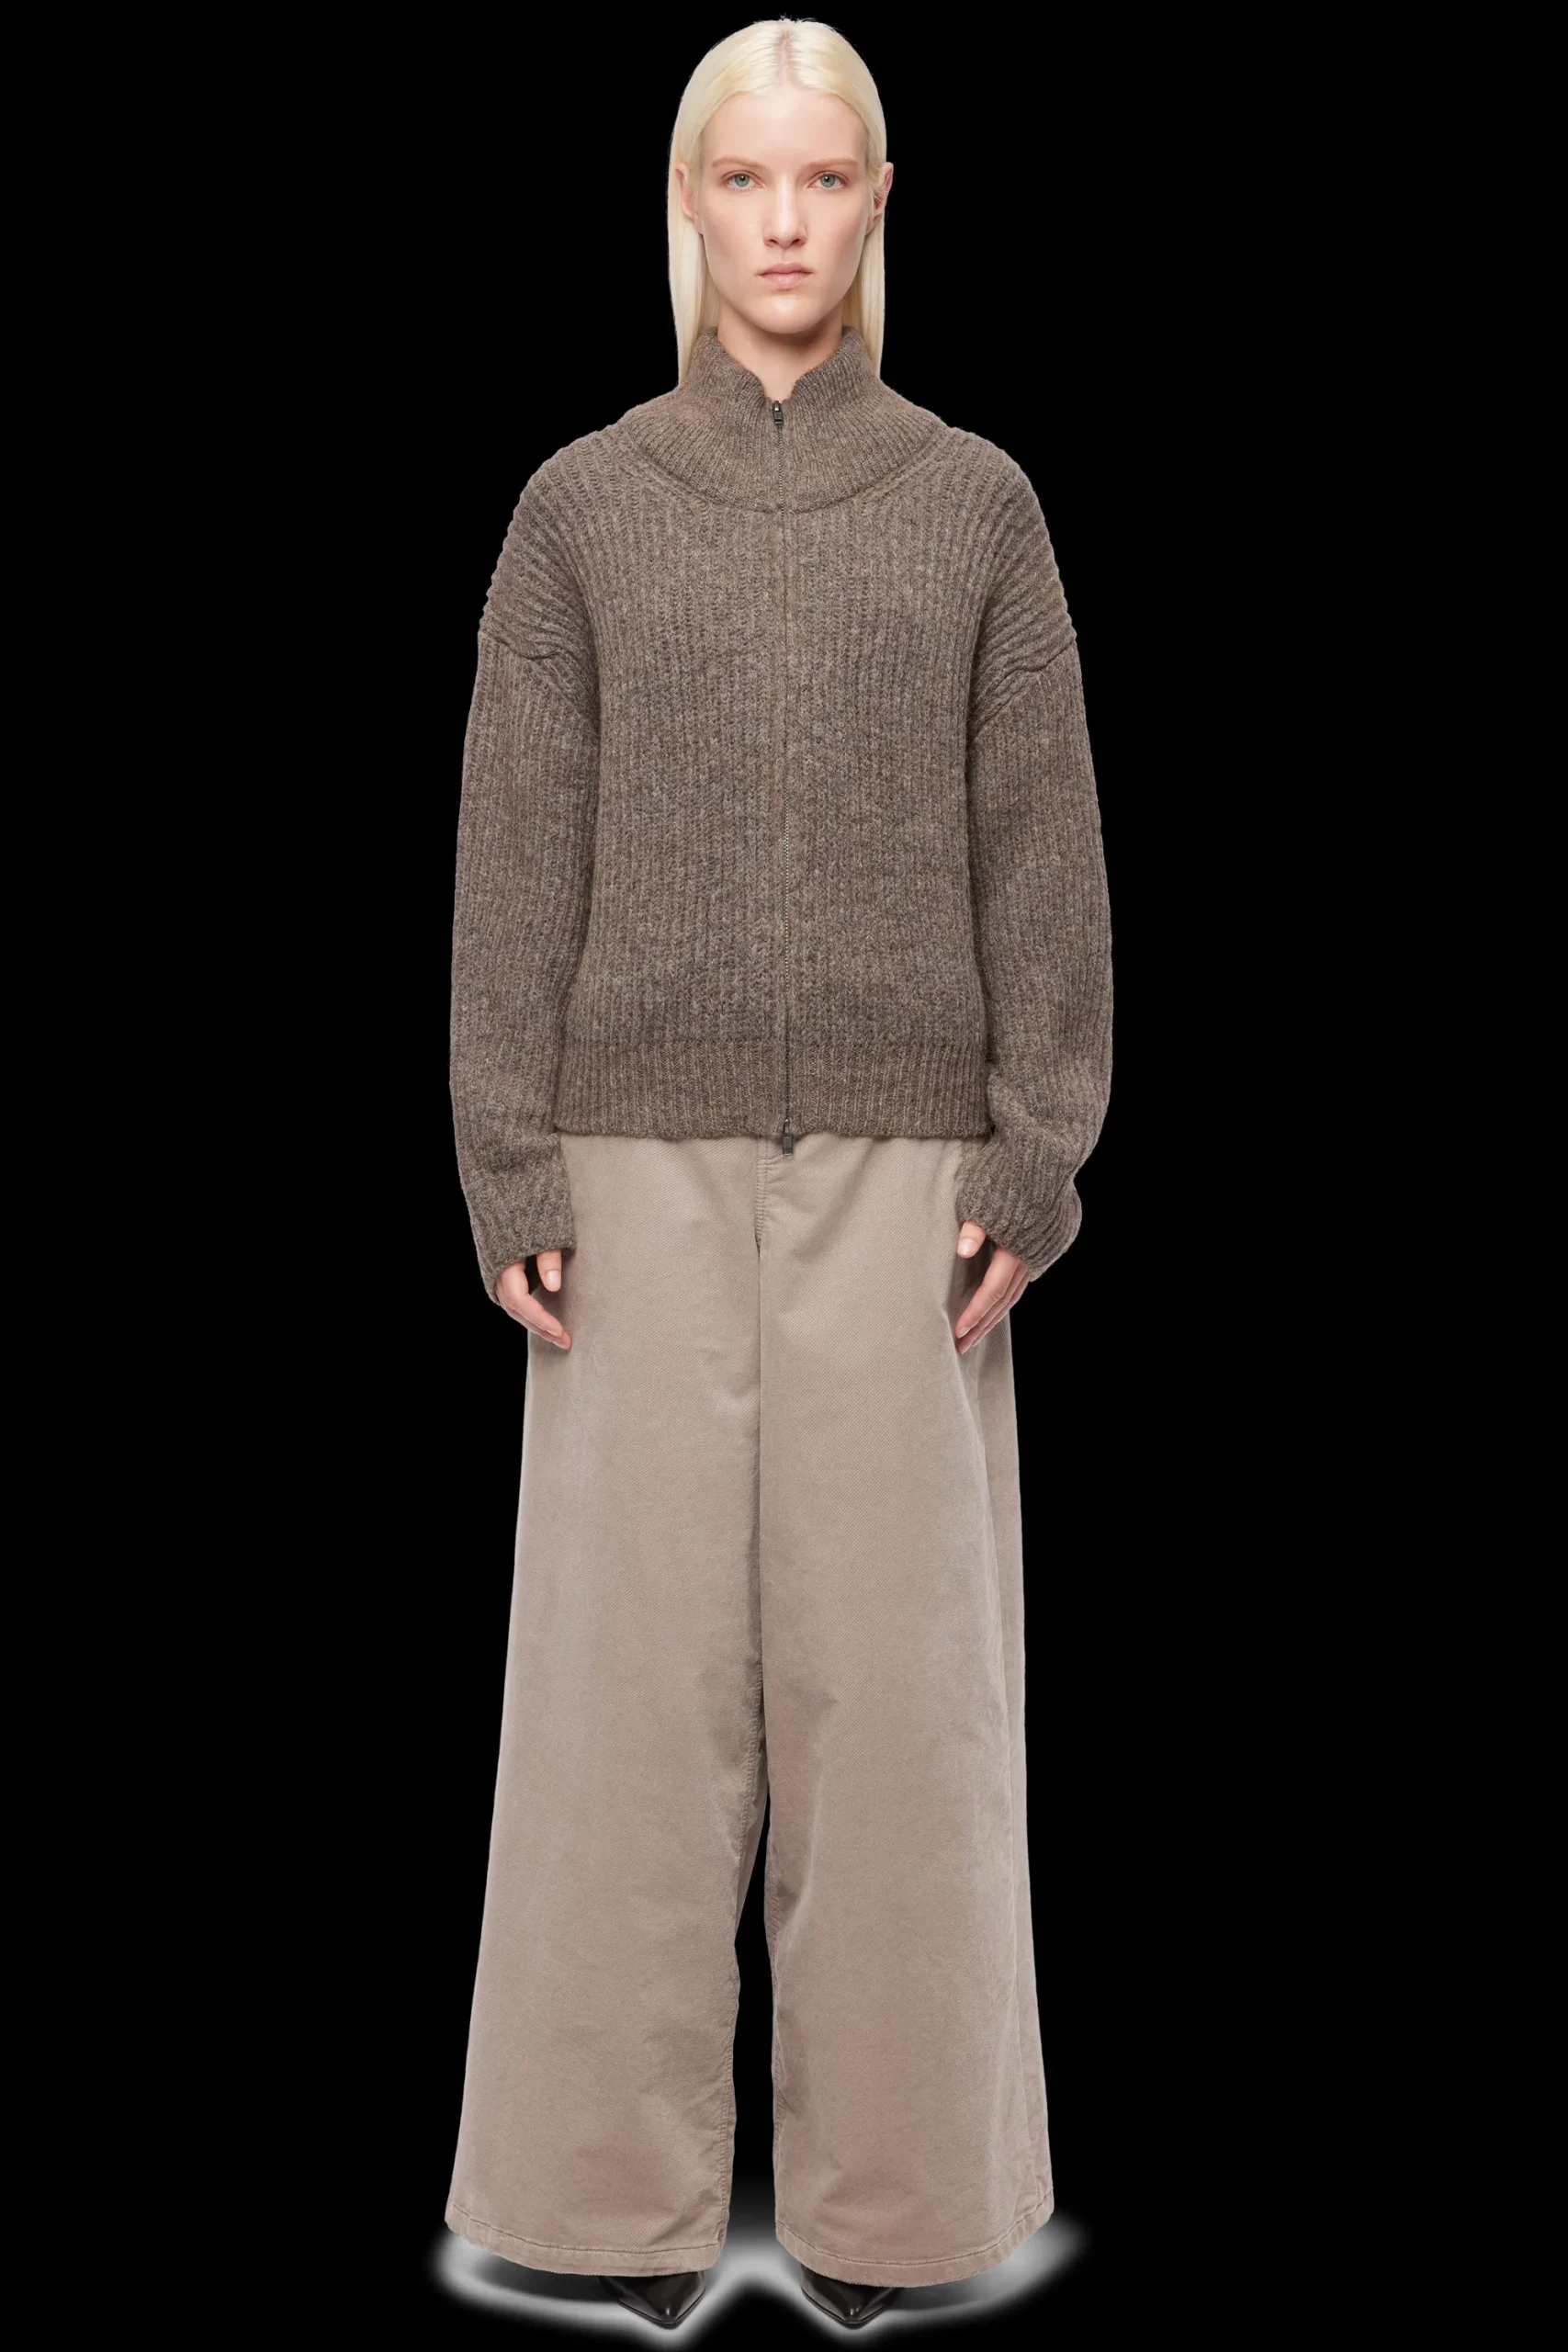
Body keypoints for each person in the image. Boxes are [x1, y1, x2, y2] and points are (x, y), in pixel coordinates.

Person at [441, 16, 1112, 2332]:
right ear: (687, 202)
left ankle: (898, 2213)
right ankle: (598, 2207)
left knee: (898, 1708)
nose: (787, 221)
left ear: (881, 201)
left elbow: (1043, 851)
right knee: (620, 1706)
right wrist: (504, 1148)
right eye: (746, 179)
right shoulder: (581, 506)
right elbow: (515, 850)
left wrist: (1038, 1144)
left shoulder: (977, 507)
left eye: (825, 178)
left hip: (913, 1194)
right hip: (624, 1172)